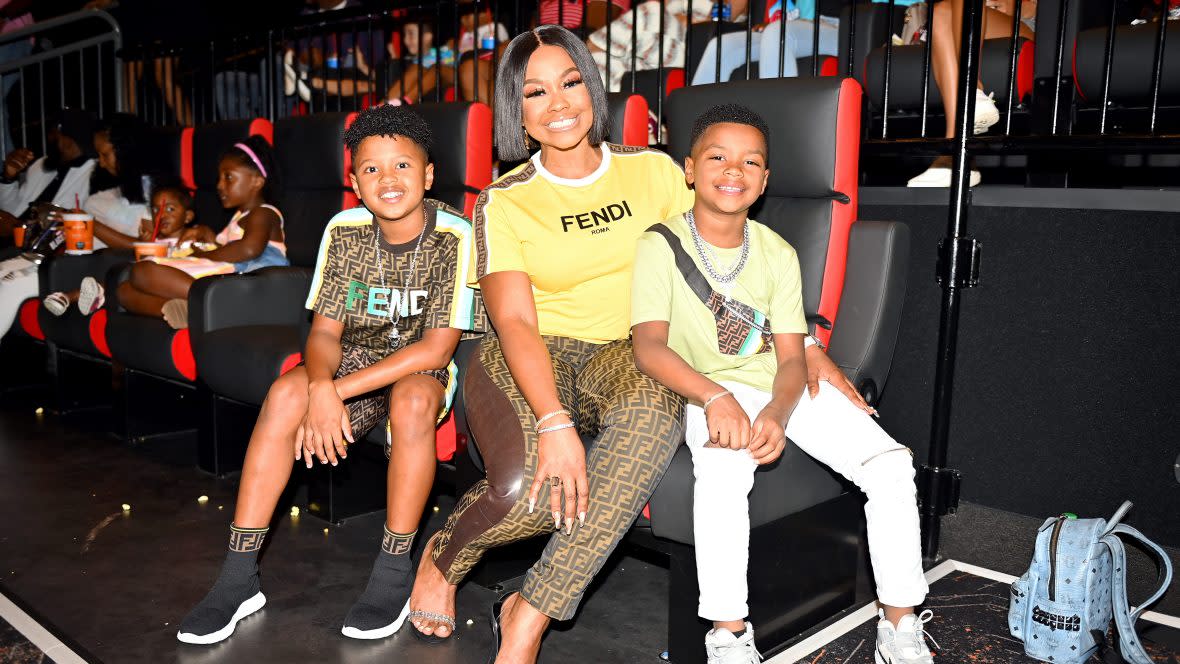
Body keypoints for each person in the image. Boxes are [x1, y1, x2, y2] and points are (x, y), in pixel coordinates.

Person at [406, 26, 694, 661]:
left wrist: (796, 344)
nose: (559, 103)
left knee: (653, 416)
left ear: (592, 88)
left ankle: (527, 613)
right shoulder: (504, 200)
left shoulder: (656, 172)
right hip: (527, 353)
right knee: (527, 495)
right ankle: (445, 551)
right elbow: (514, 323)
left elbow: (715, 263)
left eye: (570, 83)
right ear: (519, 110)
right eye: (536, 92)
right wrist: (555, 421)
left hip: (625, 350)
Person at [630, 103, 933, 664]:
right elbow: (648, 345)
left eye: (751, 162)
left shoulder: (777, 252)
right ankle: (728, 633)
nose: (733, 170)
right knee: (723, 468)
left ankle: (900, 624)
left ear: (765, 180)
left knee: (891, 464)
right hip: (706, 388)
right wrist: (715, 396)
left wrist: (778, 411)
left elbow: (793, 360)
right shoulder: (658, 244)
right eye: (718, 156)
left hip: (779, 387)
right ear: (690, 168)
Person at [176, 104, 484, 645]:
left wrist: (333, 392)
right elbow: (323, 334)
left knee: (412, 401)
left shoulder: (454, 235)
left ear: (429, 174)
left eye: (402, 166)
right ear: (354, 183)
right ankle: (238, 577)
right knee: (284, 393)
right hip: (353, 358)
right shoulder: (343, 230)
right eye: (371, 169)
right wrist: (319, 387)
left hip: (419, 365)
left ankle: (393, 573)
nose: (388, 180)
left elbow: (435, 350)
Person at [115, 135, 286, 329]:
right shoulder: (240, 217)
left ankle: (215, 304)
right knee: (124, 290)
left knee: (142, 271)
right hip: (231, 276)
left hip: (250, 286)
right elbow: (229, 250)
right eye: (219, 178)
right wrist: (206, 235)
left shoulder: (263, 213)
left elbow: (248, 250)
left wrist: (205, 254)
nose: (219, 185)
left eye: (228, 177)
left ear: (257, 181)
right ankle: (186, 311)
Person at [908, 0, 1034, 187]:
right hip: (975, 16)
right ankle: (956, 152)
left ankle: (971, 94)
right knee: (941, 10)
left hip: (1026, 26)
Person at [0, 108, 96, 339]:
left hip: (43, 248)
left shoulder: (94, 172)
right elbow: (14, 208)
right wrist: (9, 177)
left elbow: (75, 224)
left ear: (68, 137)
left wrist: (20, 228)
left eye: (54, 133)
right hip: (14, 237)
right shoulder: (42, 165)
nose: (49, 138)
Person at [43, 179, 193, 317]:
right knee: (121, 286)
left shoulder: (192, 238)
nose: (161, 215)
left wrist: (204, 233)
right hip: (142, 283)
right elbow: (132, 248)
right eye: (155, 210)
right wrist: (143, 243)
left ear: (188, 216)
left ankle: (86, 296)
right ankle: (73, 296)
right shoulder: (153, 241)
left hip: (168, 282)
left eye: (170, 209)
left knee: (124, 277)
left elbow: (209, 247)